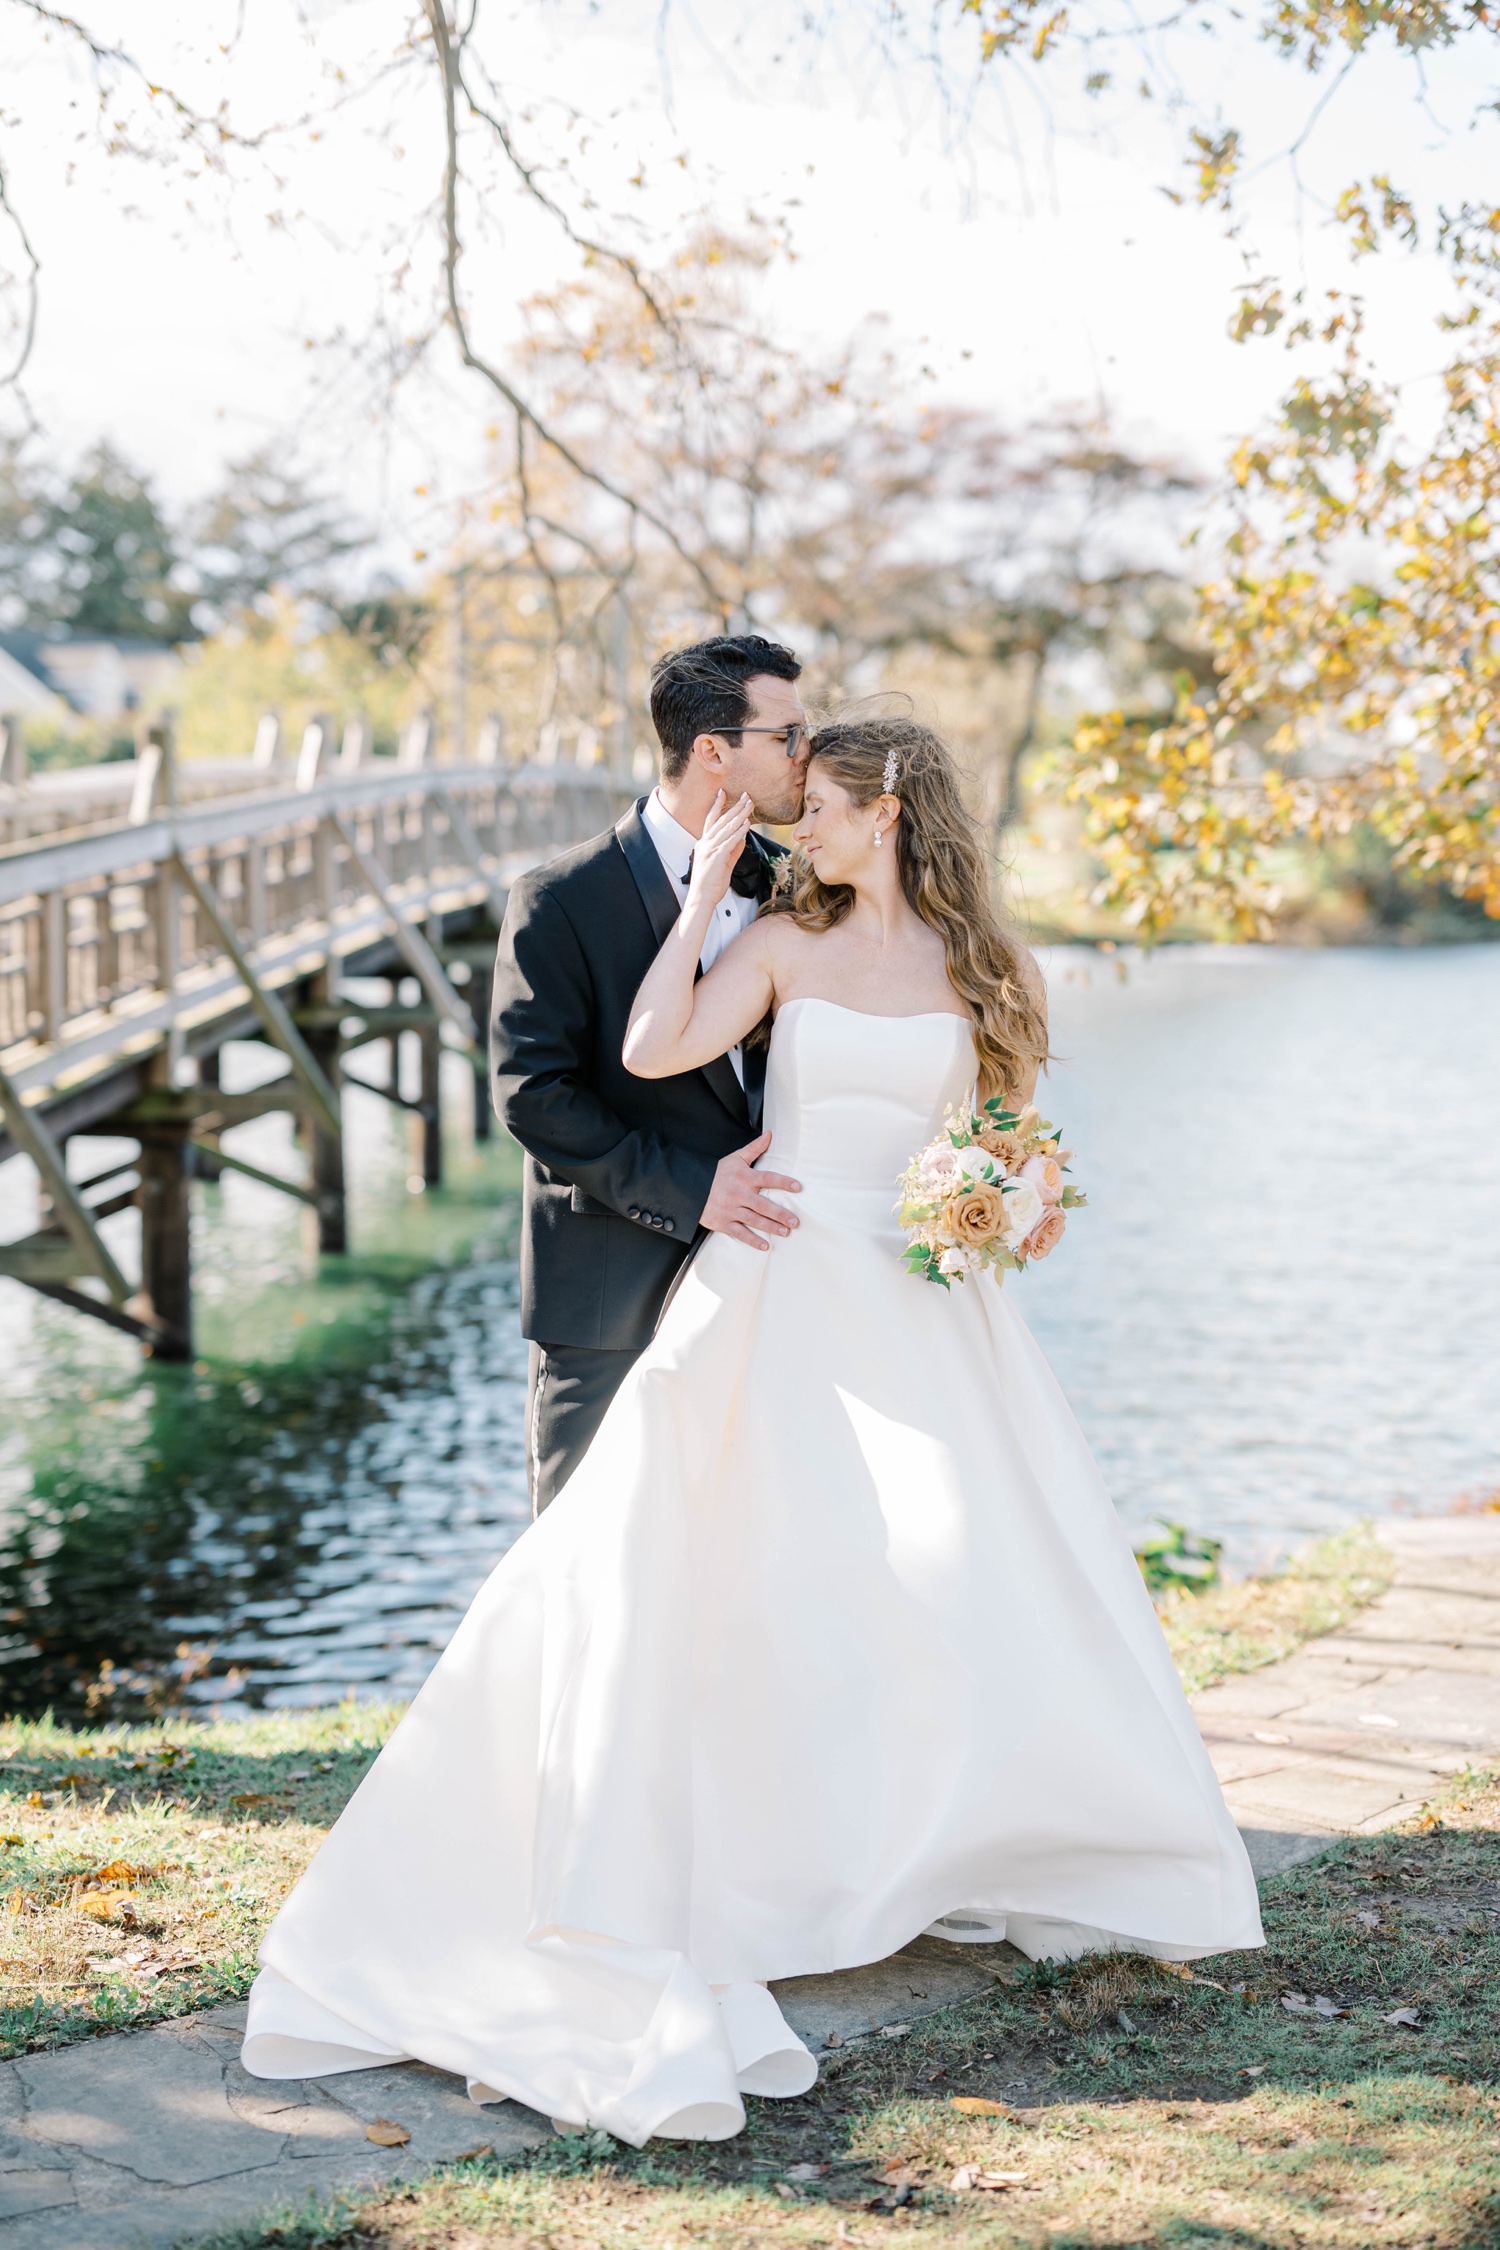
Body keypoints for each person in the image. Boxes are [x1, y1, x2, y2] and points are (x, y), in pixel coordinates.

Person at [241, 714, 1263, 2144]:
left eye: (825, 807)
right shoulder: (780, 938)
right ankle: (759, 1864)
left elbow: (1015, 1137)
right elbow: (658, 1042)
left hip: (924, 1298)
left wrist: (1004, 1201)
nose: (803, 830)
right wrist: (710, 891)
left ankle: (956, 1837)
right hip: (778, 1284)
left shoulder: (988, 966)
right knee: (736, 1572)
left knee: (964, 1560)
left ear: (891, 813)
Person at [490, 633, 811, 1515]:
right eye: (785, 735)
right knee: (584, 1548)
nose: (804, 755)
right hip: (608, 1288)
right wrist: (690, 1190)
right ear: (712, 750)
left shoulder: (795, 888)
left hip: (771, 1279)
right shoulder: (558, 899)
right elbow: (532, 1094)